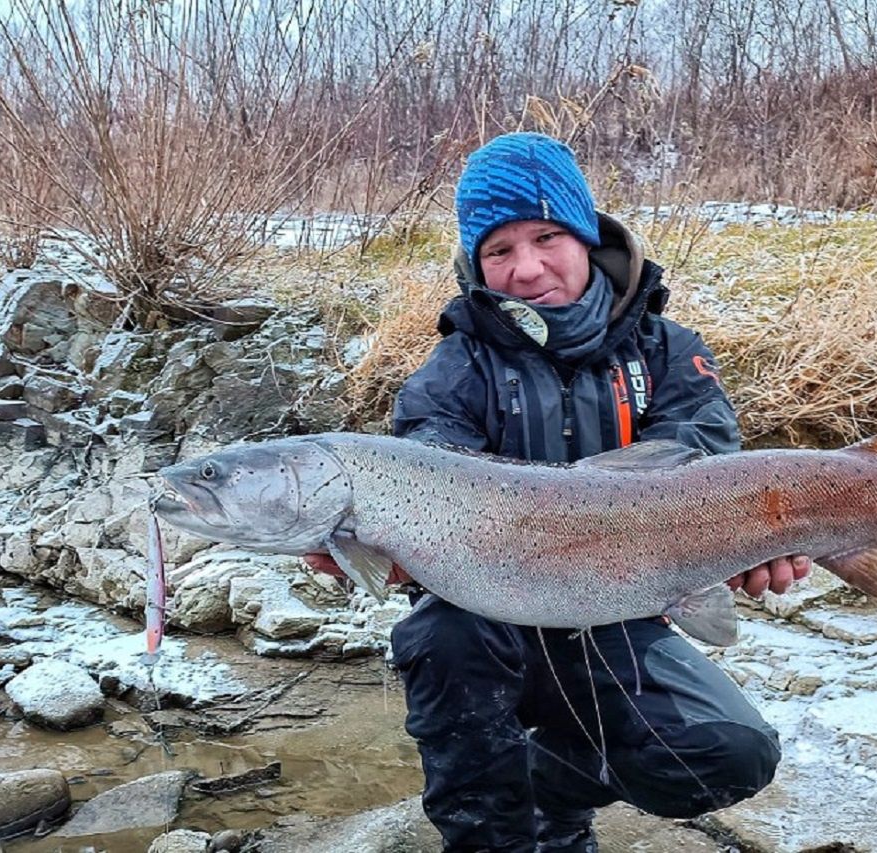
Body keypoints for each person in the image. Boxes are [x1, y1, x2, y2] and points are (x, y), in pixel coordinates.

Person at [307, 132, 810, 852]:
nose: (527, 268)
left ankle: (552, 792)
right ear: (475, 264)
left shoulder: (668, 353)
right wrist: (374, 544)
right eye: (499, 251)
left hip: (620, 616)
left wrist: (757, 545)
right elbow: (421, 470)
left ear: (586, 234)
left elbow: (712, 476)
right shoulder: (451, 372)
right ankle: (492, 838)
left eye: (547, 237)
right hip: (484, 619)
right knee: (442, 634)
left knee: (733, 753)